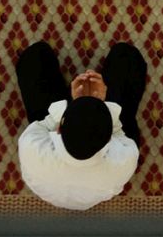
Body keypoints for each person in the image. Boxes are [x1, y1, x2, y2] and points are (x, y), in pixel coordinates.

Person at [16, 41, 147, 210]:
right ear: (108, 139)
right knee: (127, 56)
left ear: (59, 129)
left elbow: (42, 124)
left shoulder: (33, 149)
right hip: (104, 167)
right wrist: (102, 102)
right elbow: (120, 132)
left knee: (34, 57)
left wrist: (73, 103)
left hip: (50, 155)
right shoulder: (123, 159)